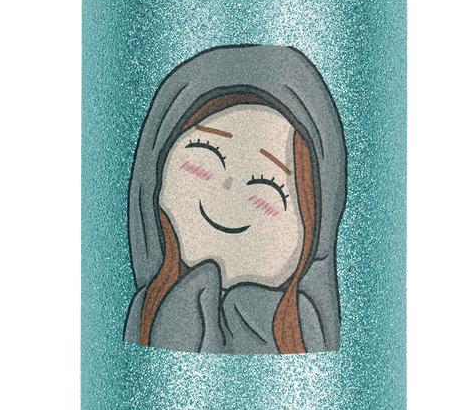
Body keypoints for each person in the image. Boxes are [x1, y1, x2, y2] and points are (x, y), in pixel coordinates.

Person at [122, 44, 346, 354]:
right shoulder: (149, 315)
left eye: (267, 187)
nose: (228, 189)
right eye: (203, 159)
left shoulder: (308, 336)